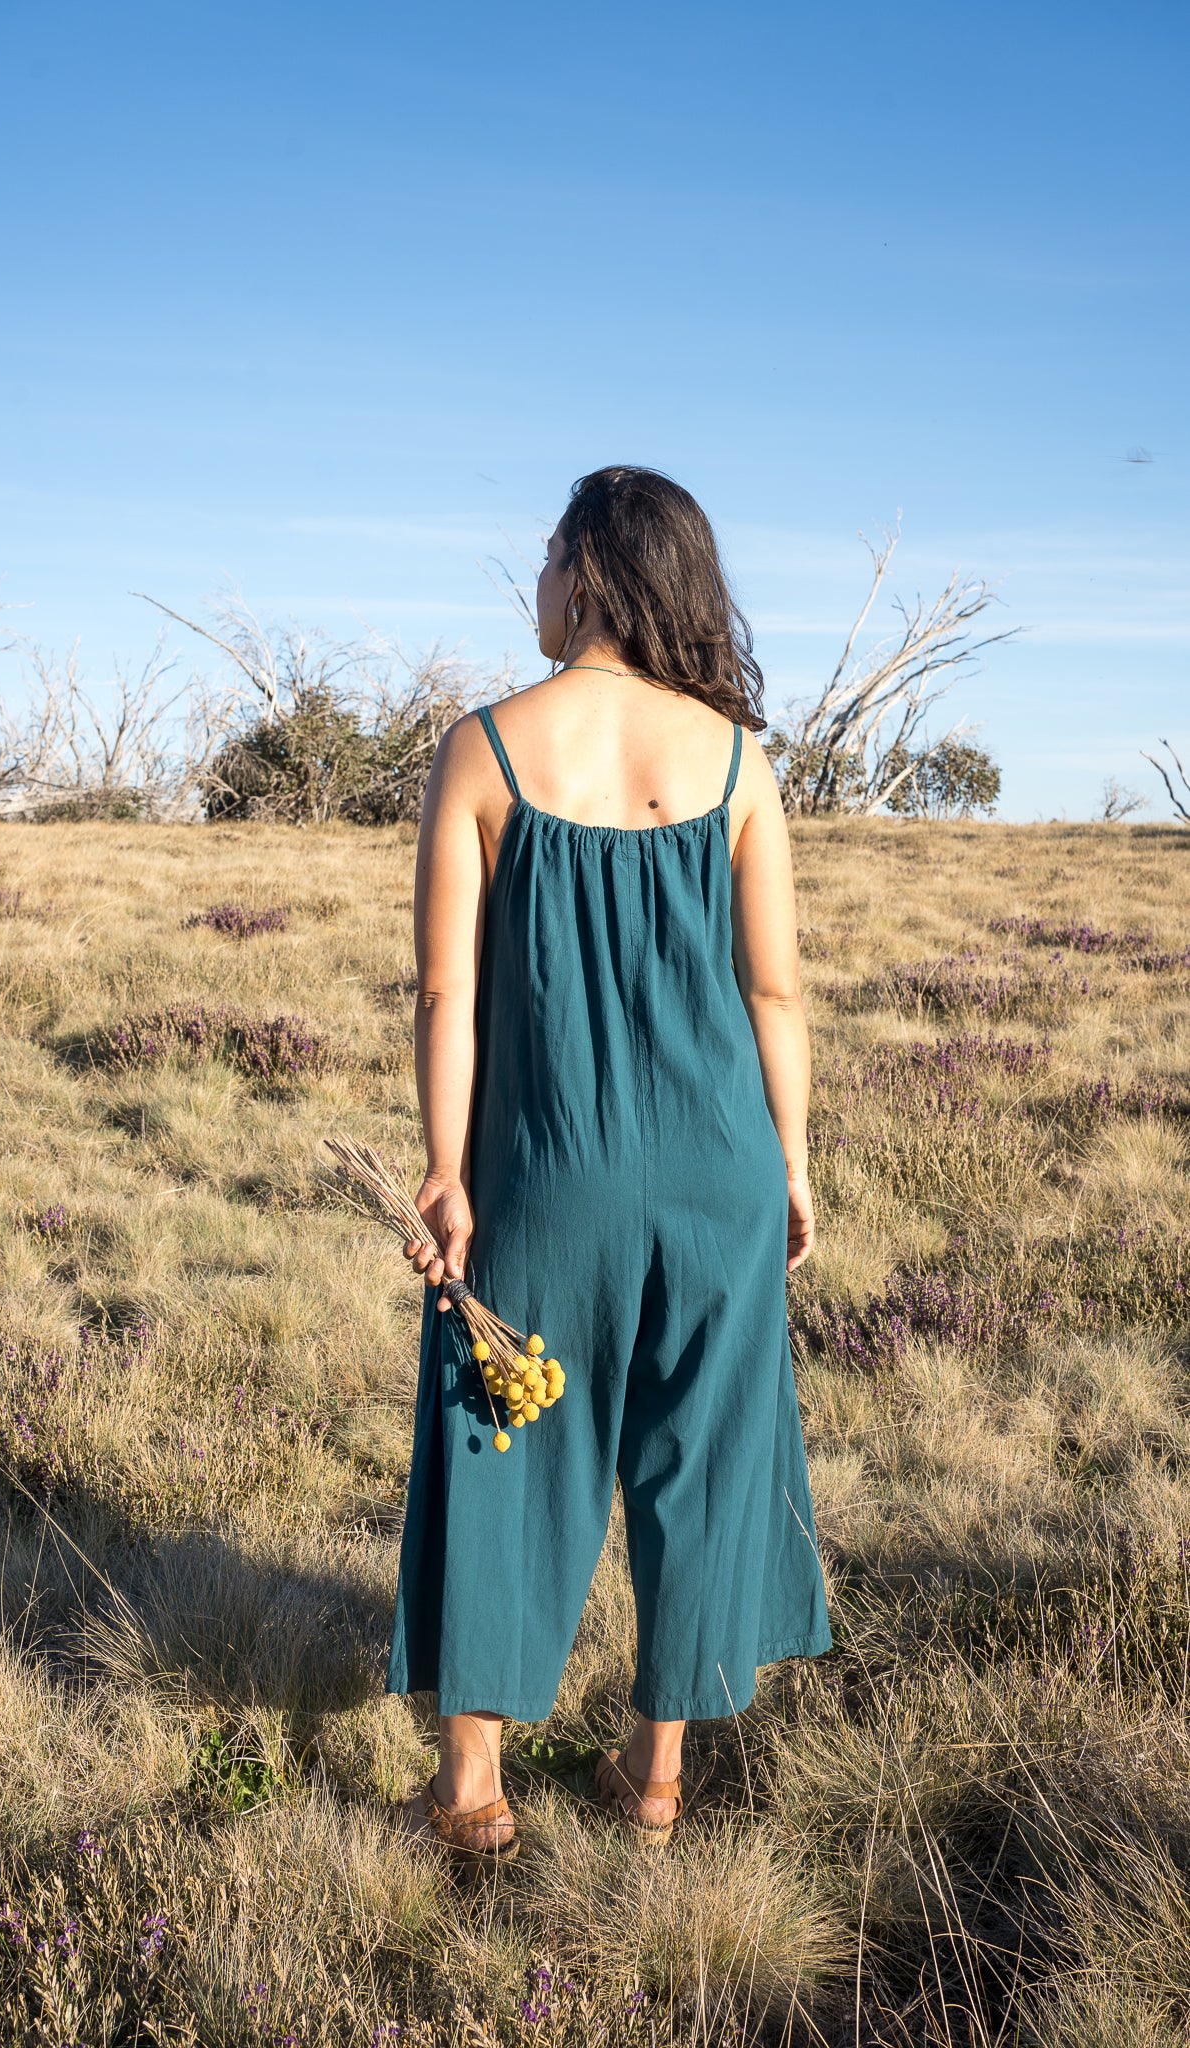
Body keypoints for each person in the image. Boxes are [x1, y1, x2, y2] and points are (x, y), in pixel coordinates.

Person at [390, 466, 832, 1862]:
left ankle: (471, 1794)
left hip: (542, 1167)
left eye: (541, 557)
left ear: (584, 570)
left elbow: (441, 996)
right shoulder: (733, 759)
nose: (532, 583)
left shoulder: (485, 747)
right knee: (700, 1456)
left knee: (499, 1441)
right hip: (719, 1170)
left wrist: (446, 1171)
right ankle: (654, 1776)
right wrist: (794, 1165)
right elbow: (774, 996)